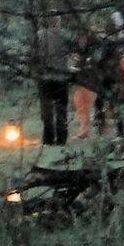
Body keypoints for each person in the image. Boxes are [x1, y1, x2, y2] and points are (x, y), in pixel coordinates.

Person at [34, 13, 72, 146]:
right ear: (58, 21)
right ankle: (61, 138)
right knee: (61, 108)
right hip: (61, 77)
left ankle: (48, 138)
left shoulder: (40, 35)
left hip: (45, 78)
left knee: (47, 109)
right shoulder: (65, 35)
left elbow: (35, 56)